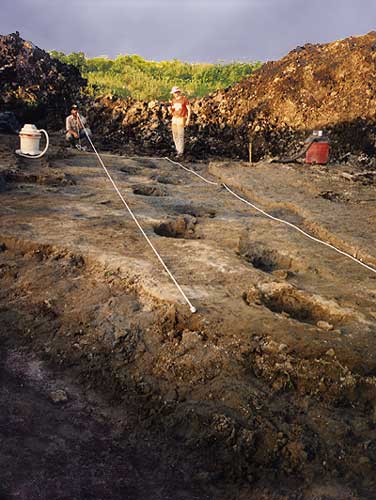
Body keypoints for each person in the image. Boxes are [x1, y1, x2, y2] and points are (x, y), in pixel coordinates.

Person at [168, 86, 191, 158]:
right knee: (175, 134)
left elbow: (189, 109)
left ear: (179, 92)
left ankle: (180, 152)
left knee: (180, 134)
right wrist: (169, 110)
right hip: (174, 118)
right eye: (174, 93)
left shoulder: (184, 99)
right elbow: (172, 110)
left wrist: (188, 119)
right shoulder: (173, 100)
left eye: (176, 92)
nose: (175, 94)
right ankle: (177, 149)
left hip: (181, 118)